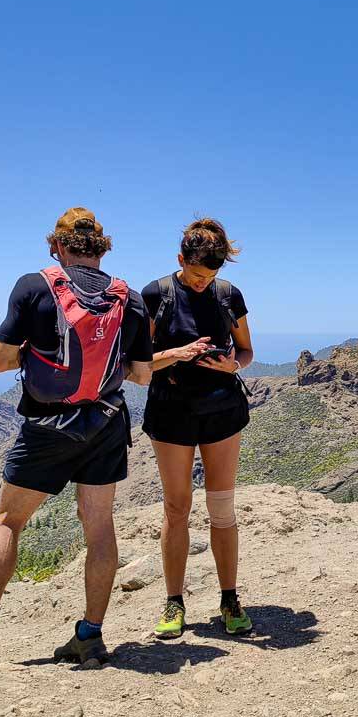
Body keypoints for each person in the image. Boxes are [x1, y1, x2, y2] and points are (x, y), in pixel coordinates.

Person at [0, 208, 153, 670]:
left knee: (7, 522)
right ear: (102, 248)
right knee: (99, 527)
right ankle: (91, 636)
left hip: (46, 426)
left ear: (56, 246)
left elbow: (0, 361)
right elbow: (141, 373)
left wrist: (36, 357)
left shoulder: (33, 286)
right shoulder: (131, 299)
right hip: (104, 424)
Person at [141, 218, 255, 639]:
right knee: (176, 509)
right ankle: (174, 602)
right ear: (179, 261)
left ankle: (229, 597)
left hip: (222, 411)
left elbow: (245, 351)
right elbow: (138, 365)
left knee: (222, 509)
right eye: (196, 274)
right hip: (171, 412)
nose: (204, 282)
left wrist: (232, 365)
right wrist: (177, 353)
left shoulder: (228, 296)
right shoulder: (156, 294)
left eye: (211, 276)